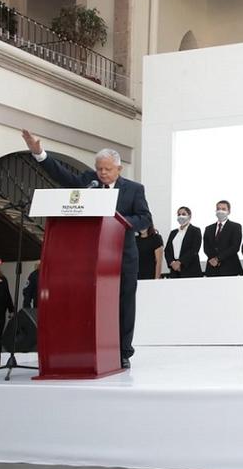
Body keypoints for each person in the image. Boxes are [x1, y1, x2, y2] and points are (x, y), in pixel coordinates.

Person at [21, 129, 151, 369]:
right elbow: (61, 174)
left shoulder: (134, 189)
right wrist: (39, 153)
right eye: (99, 168)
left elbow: (145, 218)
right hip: (91, 256)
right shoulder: (88, 182)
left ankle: (123, 351)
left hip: (123, 256)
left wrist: (122, 223)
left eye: (107, 169)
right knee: (91, 301)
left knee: (123, 303)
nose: (102, 173)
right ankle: (91, 347)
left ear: (118, 169)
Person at [203, 200, 243, 276]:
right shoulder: (208, 228)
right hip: (212, 267)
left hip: (230, 267)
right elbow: (206, 247)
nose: (220, 211)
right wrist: (213, 259)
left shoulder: (235, 227)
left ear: (229, 211)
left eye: (223, 209)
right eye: (218, 209)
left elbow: (235, 247)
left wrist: (218, 259)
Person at [164, 206, 203, 278]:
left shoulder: (195, 230)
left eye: (183, 214)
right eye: (179, 214)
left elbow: (194, 249)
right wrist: (172, 263)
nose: (181, 216)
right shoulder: (173, 232)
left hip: (190, 269)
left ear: (189, 216)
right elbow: (167, 250)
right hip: (174, 270)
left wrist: (180, 262)